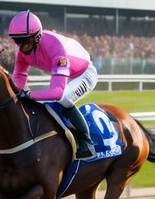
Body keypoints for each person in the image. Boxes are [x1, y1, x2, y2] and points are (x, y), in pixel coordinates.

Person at [8, 10, 98, 160]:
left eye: (25, 42)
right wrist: (16, 94)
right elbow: (19, 76)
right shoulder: (22, 52)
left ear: (37, 37)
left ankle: (87, 142)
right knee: (46, 104)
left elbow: (57, 93)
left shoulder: (55, 47)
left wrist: (29, 94)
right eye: (18, 42)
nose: (22, 47)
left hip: (85, 73)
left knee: (63, 100)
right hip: (68, 75)